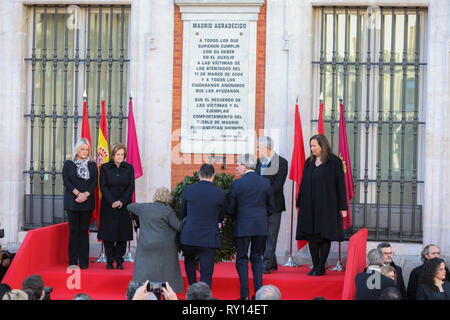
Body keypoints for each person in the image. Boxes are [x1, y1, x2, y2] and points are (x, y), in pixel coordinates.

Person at [295, 134, 348, 276]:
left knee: (324, 235)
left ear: (322, 146)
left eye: (314, 146)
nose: (311, 148)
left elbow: (341, 186)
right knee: (312, 236)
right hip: (309, 206)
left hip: (327, 206)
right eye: (310, 146)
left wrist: (343, 207)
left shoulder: (334, 162)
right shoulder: (309, 162)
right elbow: (304, 183)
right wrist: (300, 201)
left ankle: (321, 267)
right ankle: (315, 265)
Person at [227, 154, 275, 300]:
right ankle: (260, 295)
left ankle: (244, 295)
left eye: (237, 165)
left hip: (242, 226)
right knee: (257, 258)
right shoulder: (265, 183)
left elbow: (230, 209)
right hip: (260, 226)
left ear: (244, 165)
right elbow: (271, 207)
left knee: (242, 259)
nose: (236, 168)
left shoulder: (237, 184)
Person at [127, 187, 184, 294]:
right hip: (164, 248)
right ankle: (162, 290)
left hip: (146, 246)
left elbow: (130, 206)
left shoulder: (144, 207)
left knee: (149, 274)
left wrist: (137, 219)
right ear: (168, 198)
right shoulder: (168, 211)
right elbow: (178, 226)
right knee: (162, 274)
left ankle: (149, 291)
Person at [180, 163, 226, 288]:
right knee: (207, 271)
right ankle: (204, 295)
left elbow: (182, 213)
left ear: (199, 175)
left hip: (190, 235)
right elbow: (221, 217)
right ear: (213, 176)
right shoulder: (220, 194)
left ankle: (192, 288)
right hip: (209, 236)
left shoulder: (188, 190)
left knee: (189, 260)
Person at [97, 143, 135, 270]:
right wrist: (112, 201)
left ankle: (119, 261)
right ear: (112, 155)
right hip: (108, 206)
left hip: (123, 206)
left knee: (122, 235)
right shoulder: (105, 167)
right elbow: (103, 186)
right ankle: (109, 260)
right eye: (117, 154)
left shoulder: (129, 168)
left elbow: (131, 187)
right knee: (109, 235)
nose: (120, 157)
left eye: (122, 155)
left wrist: (121, 201)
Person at [62, 138, 98, 269]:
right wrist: (78, 194)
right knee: (73, 232)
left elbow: (94, 182)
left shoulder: (92, 165)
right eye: (82, 149)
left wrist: (85, 195)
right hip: (72, 202)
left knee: (84, 232)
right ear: (77, 150)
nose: (84, 151)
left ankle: (84, 262)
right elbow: (66, 181)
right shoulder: (68, 164)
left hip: (87, 203)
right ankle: (72, 261)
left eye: (86, 149)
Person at [255, 136, 288, 274]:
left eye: (258, 147)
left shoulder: (281, 162)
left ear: (266, 147)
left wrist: (263, 195)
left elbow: (278, 185)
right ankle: (272, 261)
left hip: (274, 205)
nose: (257, 149)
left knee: (271, 235)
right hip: (259, 205)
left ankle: (266, 265)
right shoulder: (258, 162)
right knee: (262, 234)